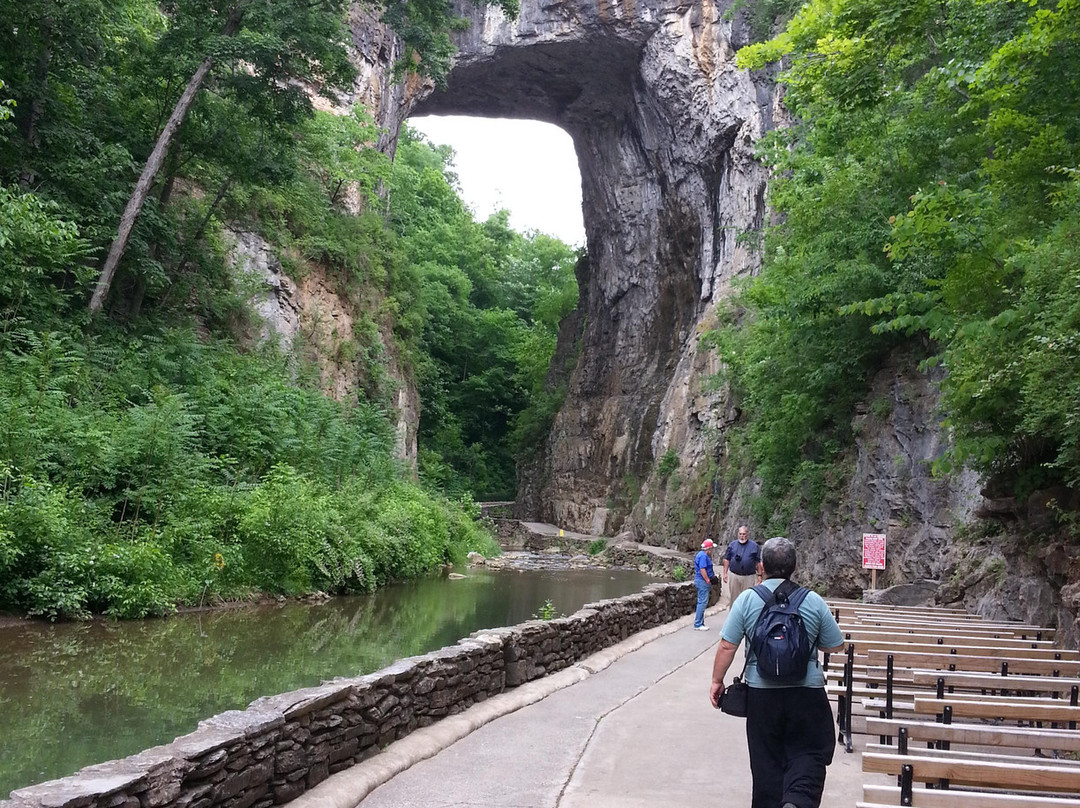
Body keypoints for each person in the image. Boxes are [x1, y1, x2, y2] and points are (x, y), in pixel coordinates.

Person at [708, 537, 845, 808]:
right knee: (809, 754)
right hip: (807, 694)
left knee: (766, 763)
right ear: (794, 566)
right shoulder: (813, 601)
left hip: (762, 696)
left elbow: (727, 645)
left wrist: (717, 681)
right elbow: (835, 644)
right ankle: (796, 800)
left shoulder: (748, 600)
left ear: (761, 566)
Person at [722, 525, 763, 609]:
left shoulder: (754, 546)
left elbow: (758, 562)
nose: (742, 536)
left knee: (747, 599)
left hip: (749, 576)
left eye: (744, 534)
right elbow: (726, 559)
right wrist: (725, 573)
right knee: (734, 598)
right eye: (740, 534)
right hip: (734, 575)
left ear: (747, 534)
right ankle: (733, 619)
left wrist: (759, 576)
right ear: (737, 534)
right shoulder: (732, 545)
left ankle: (745, 618)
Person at [692, 538, 715, 631]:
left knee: (702, 601)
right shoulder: (703, 556)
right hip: (702, 581)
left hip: (700, 581)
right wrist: (708, 580)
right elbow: (702, 569)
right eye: (711, 549)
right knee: (702, 602)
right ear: (708, 549)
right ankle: (698, 624)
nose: (712, 551)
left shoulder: (701, 555)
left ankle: (700, 622)